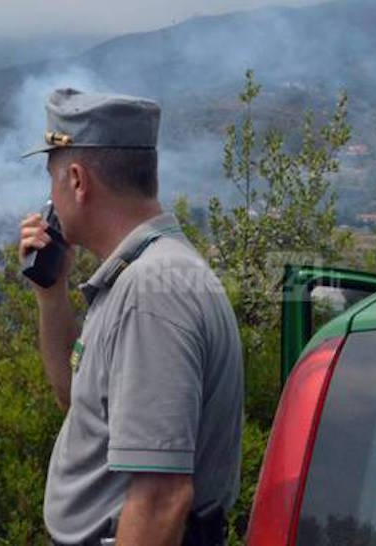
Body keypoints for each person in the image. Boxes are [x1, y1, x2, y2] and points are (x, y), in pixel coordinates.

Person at [18, 89, 244, 546]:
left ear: (78, 181)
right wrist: (51, 292)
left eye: (53, 180)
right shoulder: (145, 274)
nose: (50, 200)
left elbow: (161, 497)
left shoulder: (150, 295)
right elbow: (78, 405)